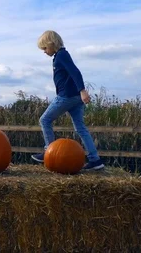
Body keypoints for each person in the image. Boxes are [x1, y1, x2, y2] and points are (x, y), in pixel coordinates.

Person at [31, 30, 104, 170]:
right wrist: (80, 93)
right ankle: (95, 160)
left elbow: (75, 72)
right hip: (75, 97)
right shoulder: (61, 55)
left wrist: (83, 90)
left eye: (45, 48)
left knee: (44, 120)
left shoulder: (61, 55)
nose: (44, 51)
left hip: (67, 96)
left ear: (52, 44)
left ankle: (49, 152)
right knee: (80, 128)